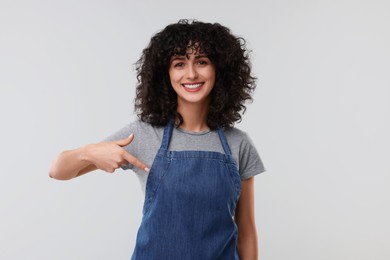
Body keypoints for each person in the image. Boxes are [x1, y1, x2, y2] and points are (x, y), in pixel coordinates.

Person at [49, 19, 265, 260]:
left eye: (202, 62)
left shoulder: (239, 143)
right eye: (179, 63)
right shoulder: (143, 135)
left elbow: (246, 231)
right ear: (166, 73)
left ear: (220, 70)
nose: (191, 73)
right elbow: (57, 171)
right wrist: (88, 152)